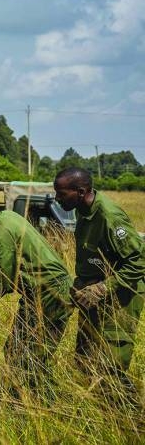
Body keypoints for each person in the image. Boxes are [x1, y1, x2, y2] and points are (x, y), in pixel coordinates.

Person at [0, 192, 73, 392]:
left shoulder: (2, 229)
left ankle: (45, 403)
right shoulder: (8, 218)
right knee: (16, 352)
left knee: (30, 358)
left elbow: (0, 278)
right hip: (40, 293)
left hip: (50, 292)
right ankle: (28, 398)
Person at [54, 167, 145, 401]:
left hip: (121, 295)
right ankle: (102, 409)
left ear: (81, 191)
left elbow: (139, 261)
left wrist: (103, 287)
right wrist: (82, 282)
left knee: (110, 366)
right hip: (93, 294)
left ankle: (130, 419)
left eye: (62, 194)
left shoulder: (109, 217)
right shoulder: (82, 211)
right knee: (85, 359)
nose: (57, 198)